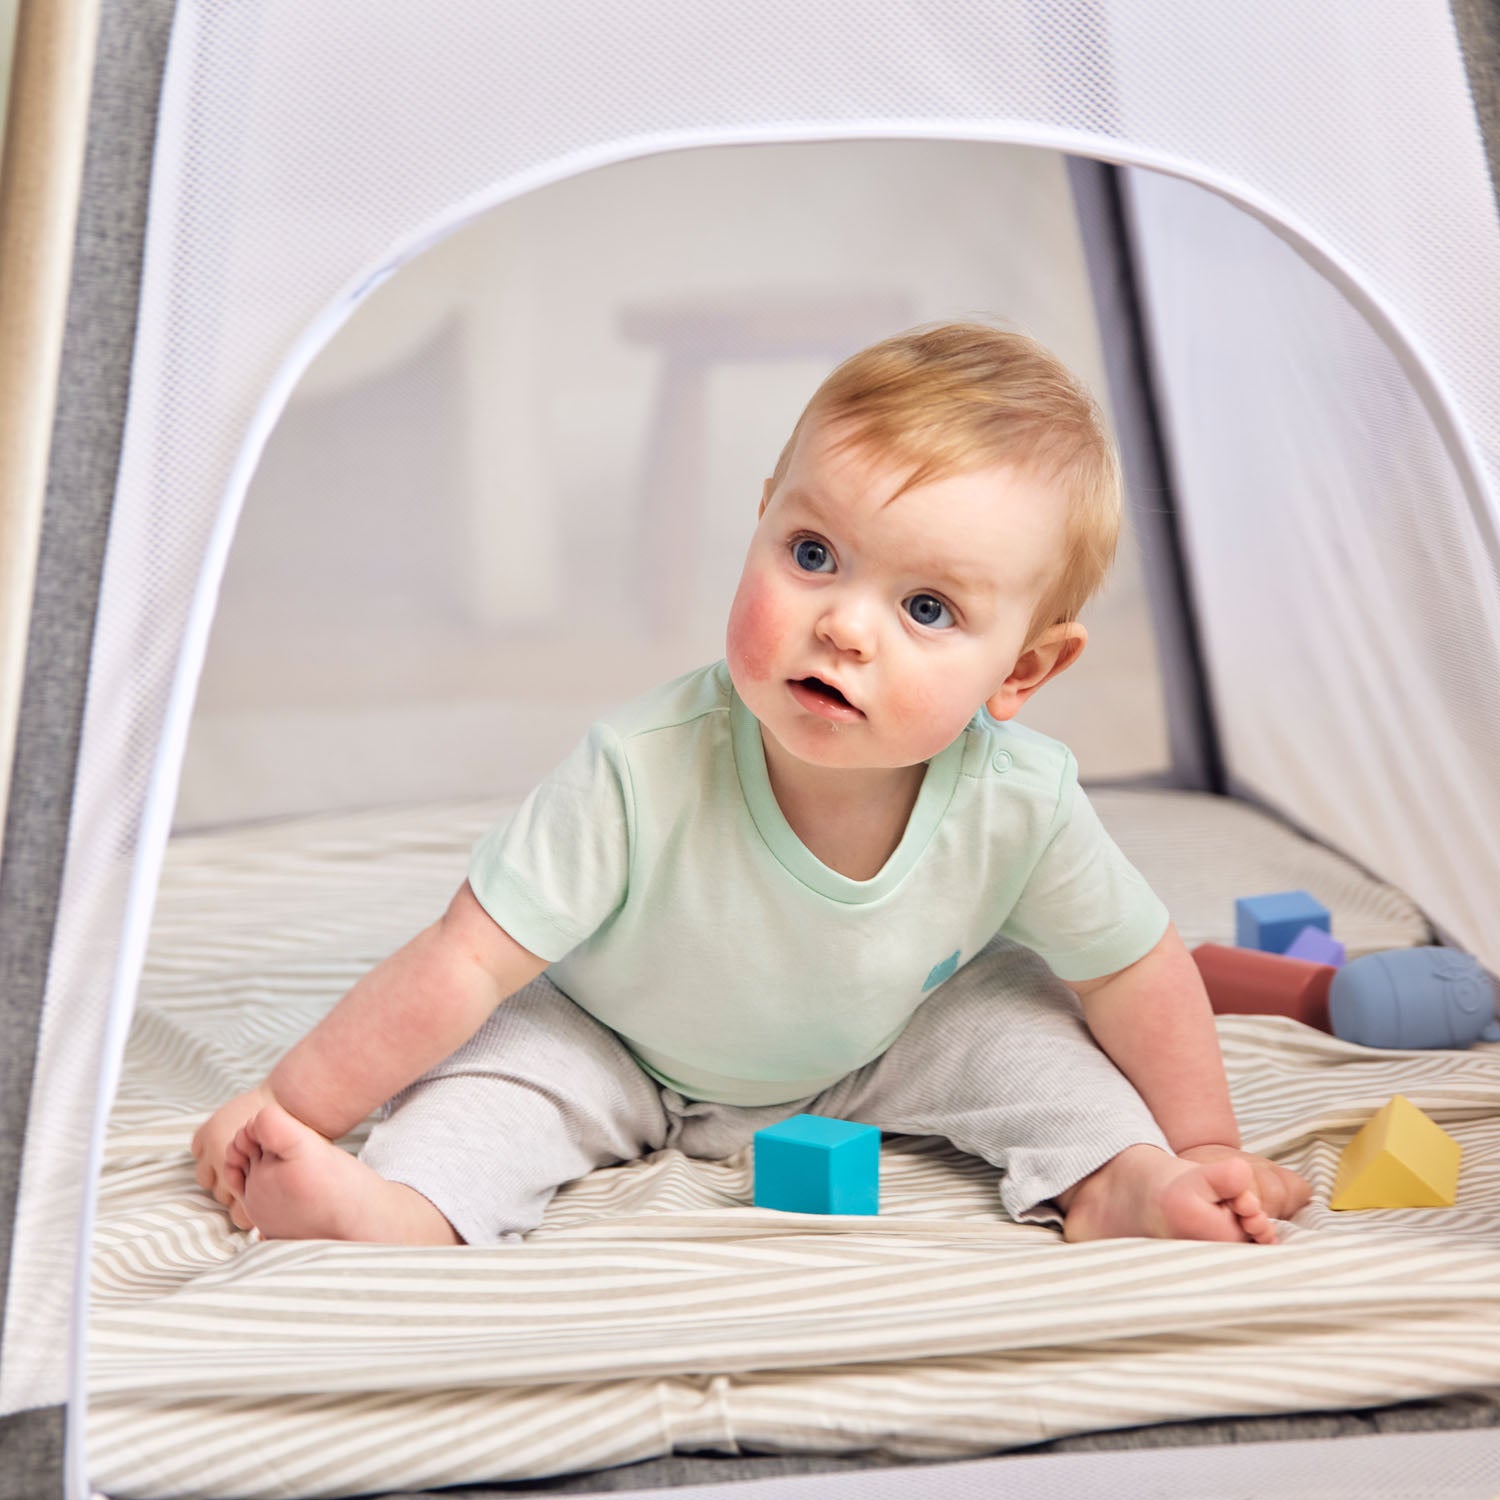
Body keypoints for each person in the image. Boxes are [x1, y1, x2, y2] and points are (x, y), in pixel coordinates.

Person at [192, 322, 1311, 1247]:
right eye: (814, 553)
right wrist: (291, 1107)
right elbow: (464, 958)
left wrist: (1205, 1140)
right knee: (494, 1072)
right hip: (613, 1039)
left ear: (1020, 670)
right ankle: (395, 1211)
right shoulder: (642, 766)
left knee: (1026, 1028)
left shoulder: (1020, 802)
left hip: (883, 1039)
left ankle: (1121, 1183)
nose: (842, 626)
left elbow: (1136, 971)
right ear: (764, 514)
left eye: (927, 610)